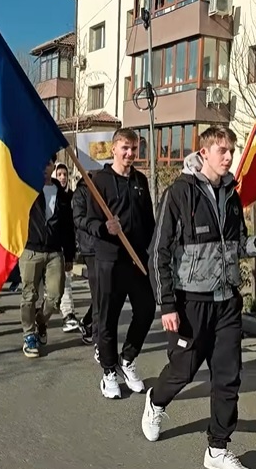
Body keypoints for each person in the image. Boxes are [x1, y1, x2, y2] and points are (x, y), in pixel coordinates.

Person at [141, 127, 256, 469]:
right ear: (204, 153)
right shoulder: (180, 193)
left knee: (228, 376)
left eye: (231, 150)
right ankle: (156, 401)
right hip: (190, 302)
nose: (229, 156)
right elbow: (158, 252)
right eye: (222, 150)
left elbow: (237, 246)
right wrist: (167, 304)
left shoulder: (232, 195)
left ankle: (217, 448)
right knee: (183, 370)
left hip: (227, 302)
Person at [85, 128, 156, 398]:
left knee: (147, 309)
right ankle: (108, 372)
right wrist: (105, 228)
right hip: (109, 260)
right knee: (108, 318)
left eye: (134, 148)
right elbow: (88, 220)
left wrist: (152, 251)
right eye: (125, 148)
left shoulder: (140, 180)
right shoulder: (99, 181)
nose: (130, 153)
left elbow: (149, 221)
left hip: (137, 260)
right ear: (113, 149)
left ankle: (127, 359)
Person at [17, 156, 76, 358]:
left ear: (53, 166)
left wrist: (70, 254)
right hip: (31, 250)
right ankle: (29, 335)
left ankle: (40, 322)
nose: (44, 167)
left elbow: (68, 227)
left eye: (48, 163)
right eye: (41, 163)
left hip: (54, 252)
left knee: (55, 296)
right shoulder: (27, 188)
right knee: (29, 296)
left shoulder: (61, 194)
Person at [52, 162, 81, 332]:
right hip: (47, 247)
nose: (62, 177)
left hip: (64, 248)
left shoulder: (71, 196)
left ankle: (68, 314)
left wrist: (70, 254)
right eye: (59, 174)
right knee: (45, 289)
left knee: (66, 281)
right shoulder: (48, 194)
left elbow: (70, 229)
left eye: (65, 174)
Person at [72, 169, 98, 345]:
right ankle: (95, 333)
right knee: (99, 292)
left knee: (106, 293)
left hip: (109, 246)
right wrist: (97, 225)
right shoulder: (81, 192)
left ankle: (89, 321)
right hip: (91, 247)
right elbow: (78, 218)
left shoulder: (107, 187)